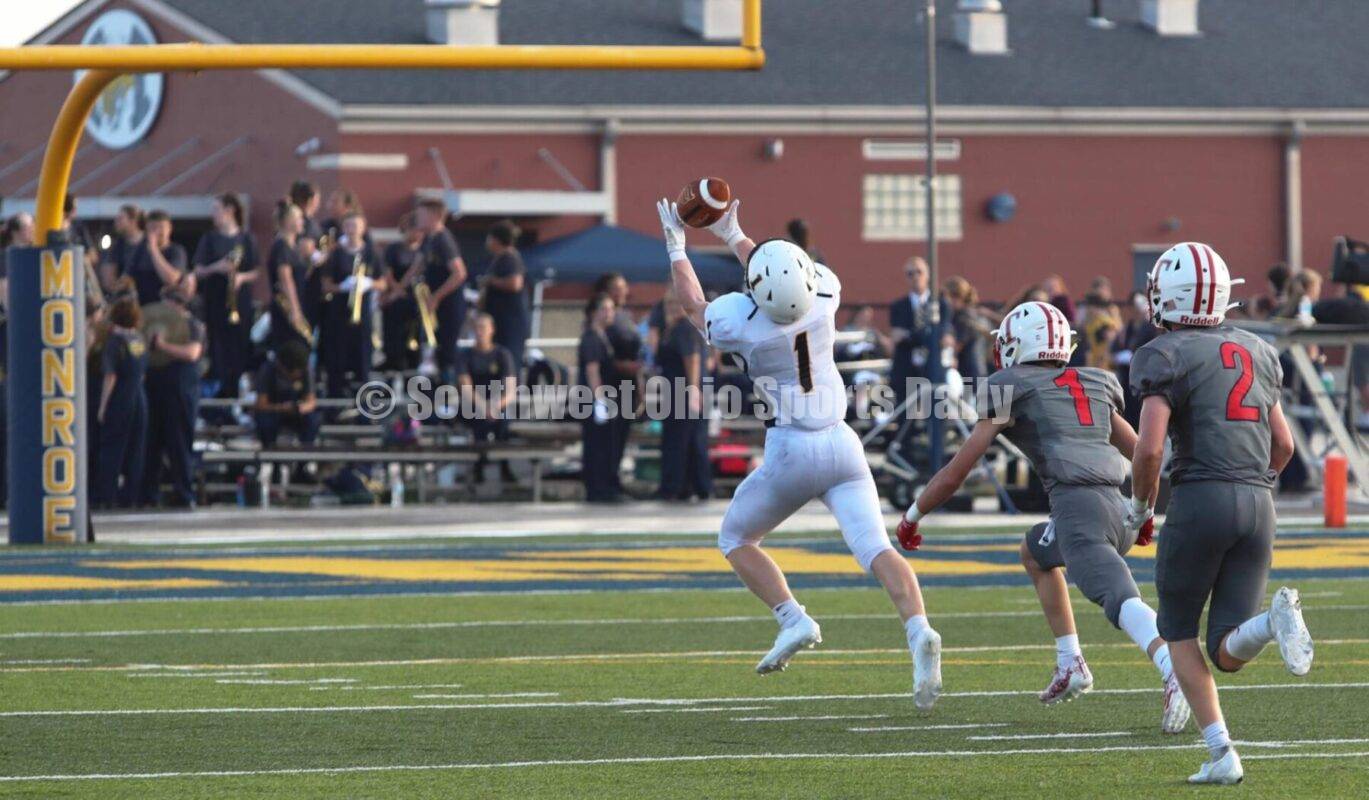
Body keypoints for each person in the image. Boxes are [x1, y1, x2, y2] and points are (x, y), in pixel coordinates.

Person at [657, 193, 943, 709]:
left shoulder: (743, 326)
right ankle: (918, 627)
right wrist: (734, 235)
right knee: (877, 548)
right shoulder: (826, 291)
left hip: (791, 449)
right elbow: (783, 274)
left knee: (736, 537)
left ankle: (793, 618)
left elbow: (694, 305)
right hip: (842, 443)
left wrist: (677, 245)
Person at [898, 301, 1190, 731]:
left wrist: (912, 515)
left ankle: (1173, 667)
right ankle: (1071, 661)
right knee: (1035, 551)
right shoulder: (1092, 380)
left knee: (1120, 597)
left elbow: (958, 470)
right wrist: (1143, 510)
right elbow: (1143, 451)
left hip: (1079, 511)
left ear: (1018, 345)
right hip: (1118, 505)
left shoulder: (1009, 386)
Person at [1130, 242, 1311, 785]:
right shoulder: (1257, 349)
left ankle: (1222, 753)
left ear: (1172, 297)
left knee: (1177, 630)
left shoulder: (1163, 354)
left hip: (1201, 498)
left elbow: (1149, 450)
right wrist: (1253, 486)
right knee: (1227, 649)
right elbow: (1284, 445)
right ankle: (1271, 623)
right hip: (1259, 501)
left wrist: (1140, 506)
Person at [140, 278, 204, 508]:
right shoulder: (155, 324)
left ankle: (184, 493)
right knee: (152, 442)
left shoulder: (192, 325)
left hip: (180, 388)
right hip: (157, 385)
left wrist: (163, 346)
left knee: (179, 442)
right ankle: (148, 494)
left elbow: (192, 353)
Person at [192, 193, 258, 400]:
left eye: (217, 209)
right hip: (216, 301)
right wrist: (216, 267)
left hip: (239, 302)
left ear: (230, 210)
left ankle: (238, 390)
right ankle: (220, 391)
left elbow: (256, 270)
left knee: (240, 347)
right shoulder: (209, 239)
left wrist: (241, 277)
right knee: (218, 349)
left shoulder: (246, 239)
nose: (214, 214)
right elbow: (198, 270)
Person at [889, 257, 952, 472]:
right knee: (904, 421)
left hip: (932, 372)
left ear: (928, 275)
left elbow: (941, 334)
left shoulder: (940, 305)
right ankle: (906, 469)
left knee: (936, 420)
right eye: (910, 273)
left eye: (919, 272)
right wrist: (926, 334)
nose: (915, 277)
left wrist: (911, 335)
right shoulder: (898, 306)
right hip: (906, 371)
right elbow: (897, 336)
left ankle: (937, 469)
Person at [319, 211, 385, 398]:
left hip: (363, 313)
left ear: (363, 228)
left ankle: (363, 398)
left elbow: (383, 283)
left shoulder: (372, 252)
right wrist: (342, 287)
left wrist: (369, 283)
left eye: (355, 225)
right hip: (339, 313)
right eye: (348, 225)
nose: (352, 230)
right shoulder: (336, 253)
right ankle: (336, 399)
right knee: (337, 356)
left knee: (363, 356)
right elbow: (325, 285)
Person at [655, 291, 712, 501]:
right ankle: (690, 487)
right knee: (688, 441)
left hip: (684, 393)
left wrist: (693, 390)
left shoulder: (684, 328)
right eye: (668, 303)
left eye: (676, 303)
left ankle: (676, 487)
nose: (671, 307)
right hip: (677, 392)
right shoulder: (674, 328)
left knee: (681, 442)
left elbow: (693, 360)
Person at [93, 297, 148, 508]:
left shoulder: (114, 342)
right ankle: (130, 496)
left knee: (112, 448)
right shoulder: (139, 339)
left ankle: (107, 496)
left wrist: (102, 406)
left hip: (120, 397)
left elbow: (110, 376)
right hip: (139, 397)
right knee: (136, 449)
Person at [595, 272, 643, 497]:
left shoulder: (625, 315)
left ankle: (614, 480)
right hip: (612, 385)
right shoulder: (603, 318)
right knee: (609, 439)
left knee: (621, 437)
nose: (622, 292)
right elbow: (603, 355)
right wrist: (624, 366)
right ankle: (606, 484)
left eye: (624, 287)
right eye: (617, 288)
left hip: (628, 386)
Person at [458, 313, 518, 484]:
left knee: (504, 423)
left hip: (498, 405)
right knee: (479, 420)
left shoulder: (502, 355)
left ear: (492, 330)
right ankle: (479, 469)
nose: (480, 332)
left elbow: (510, 390)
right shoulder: (465, 355)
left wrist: (496, 406)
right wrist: (484, 407)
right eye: (477, 328)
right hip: (474, 405)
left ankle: (504, 467)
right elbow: (466, 387)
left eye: (483, 328)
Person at [415, 198, 469, 380]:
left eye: (422, 215)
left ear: (435, 216)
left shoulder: (443, 240)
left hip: (449, 306)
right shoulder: (427, 239)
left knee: (447, 353)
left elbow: (459, 273)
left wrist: (436, 297)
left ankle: (448, 391)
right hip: (435, 305)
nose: (418, 218)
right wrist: (398, 288)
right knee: (433, 351)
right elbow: (417, 266)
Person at [578, 292, 620, 503]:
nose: (609, 313)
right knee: (597, 446)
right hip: (594, 399)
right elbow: (592, 370)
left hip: (601, 398)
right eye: (604, 309)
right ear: (594, 312)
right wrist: (600, 399)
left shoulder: (603, 336)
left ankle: (604, 487)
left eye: (611, 309)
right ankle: (597, 489)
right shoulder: (592, 338)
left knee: (604, 446)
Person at [480, 219, 530, 379]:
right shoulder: (498, 259)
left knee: (510, 364)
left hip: (510, 325)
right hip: (499, 324)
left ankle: (510, 392)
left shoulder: (510, 258)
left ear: (496, 239)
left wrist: (491, 281)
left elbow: (515, 283)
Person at [254, 339, 320, 448]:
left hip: (296, 411)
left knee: (313, 419)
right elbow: (261, 404)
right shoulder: (268, 370)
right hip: (273, 410)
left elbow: (311, 401)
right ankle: (269, 450)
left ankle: (306, 451)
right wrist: (282, 408)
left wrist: (301, 408)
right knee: (265, 421)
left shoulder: (306, 369)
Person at [266, 201, 312, 351]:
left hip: (297, 302)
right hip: (286, 306)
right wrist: (295, 310)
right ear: (288, 221)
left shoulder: (293, 246)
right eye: (299, 218)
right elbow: (286, 279)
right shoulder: (281, 246)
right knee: (292, 347)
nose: (302, 222)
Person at [381, 213, 424, 370]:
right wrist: (396, 290)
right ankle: (393, 361)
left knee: (413, 331)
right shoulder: (394, 249)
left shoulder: (423, 250)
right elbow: (387, 272)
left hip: (416, 298)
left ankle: (413, 362)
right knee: (394, 332)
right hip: (396, 297)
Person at [1112, 291, 1159, 429]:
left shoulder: (1151, 329)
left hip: (1144, 380)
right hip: (1127, 379)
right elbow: (1114, 349)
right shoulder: (1126, 329)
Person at [125, 210, 188, 307]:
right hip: (143, 306)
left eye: (161, 227)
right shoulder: (139, 251)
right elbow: (127, 278)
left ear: (169, 228)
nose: (157, 232)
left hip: (167, 307)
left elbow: (172, 279)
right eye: (153, 228)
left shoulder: (176, 251)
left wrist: (154, 250)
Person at [942, 277, 990, 380]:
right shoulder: (964, 313)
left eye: (952, 296)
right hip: (973, 372)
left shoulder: (964, 316)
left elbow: (957, 346)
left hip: (970, 373)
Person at [98, 204, 144, 294]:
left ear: (133, 221)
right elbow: (108, 280)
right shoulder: (116, 246)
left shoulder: (149, 244)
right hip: (124, 295)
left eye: (120, 219)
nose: (116, 222)